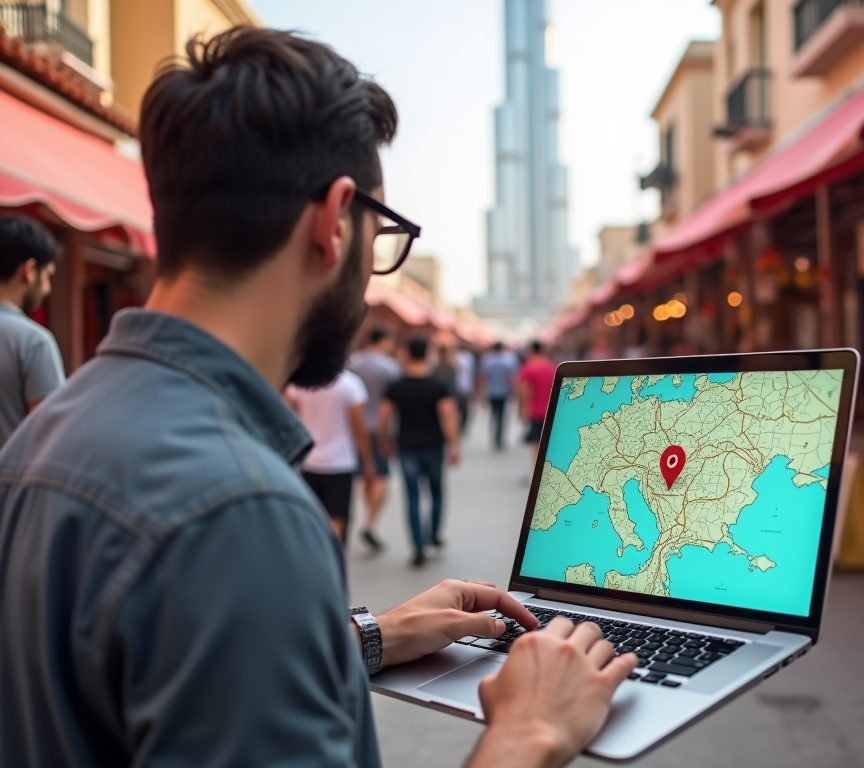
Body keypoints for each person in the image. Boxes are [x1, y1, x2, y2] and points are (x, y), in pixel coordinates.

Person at [0, 28, 634, 768]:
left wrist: (364, 638)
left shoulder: (43, 439)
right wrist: (529, 734)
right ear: (336, 220)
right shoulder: (241, 510)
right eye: (381, 237)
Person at [379, 336, 460, 567]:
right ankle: (433, 534)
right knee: (436, 492)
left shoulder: (396, 386)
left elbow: (384, 417)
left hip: (406, 448)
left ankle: (417, 546)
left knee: (412, 496)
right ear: (428, 354)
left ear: (406, 353)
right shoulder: (438, 384)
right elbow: (448, 416)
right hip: (434, 446)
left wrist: (384, 441)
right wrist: (454, 445)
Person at [0, 214, 65, 448]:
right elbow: (51, 437)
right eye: (47, 276)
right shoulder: (33, 342)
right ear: (29, 270)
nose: (47, 289)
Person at [288, 369, 374, 544]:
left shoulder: (300, 383)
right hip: (340, 462)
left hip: (308, 461)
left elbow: (289, 418)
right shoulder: (351, 384)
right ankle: (334, 560)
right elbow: (359, 428)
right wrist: (368, 460)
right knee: (337, 517)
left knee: (312, 516)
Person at [349, 325, 401, 551]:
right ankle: (369, 521)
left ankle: (368, 516)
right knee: (381, 475)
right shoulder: (389, 367)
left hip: (354, 426)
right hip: (380, 426)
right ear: (384, 341)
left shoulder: (352, 363)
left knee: (364, 474)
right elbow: (392, 403)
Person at [518, 341, 558, 460]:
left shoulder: (528, 367)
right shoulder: (552, 366)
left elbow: (525, 391)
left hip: (535, 411)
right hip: (552, 409)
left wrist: (523, 409)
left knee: (535, 442)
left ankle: (536, 469)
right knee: (549, 442)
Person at [479, 339, 518, 449]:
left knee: (493, 415)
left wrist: (482, 393)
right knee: (502, 416)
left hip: (491, 392)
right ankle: (499, 438)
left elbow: (484, 377)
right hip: (504, 392)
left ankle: (494, 437)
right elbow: (511, 378)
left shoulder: (487, 361)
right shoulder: (508, 361)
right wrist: (513, 392)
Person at [455, 344, 476, 433]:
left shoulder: (466, 357)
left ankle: (460, 427)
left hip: (464, 387)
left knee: (463, 410)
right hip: (461, 387)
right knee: (460, 410)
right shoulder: (465, 357)